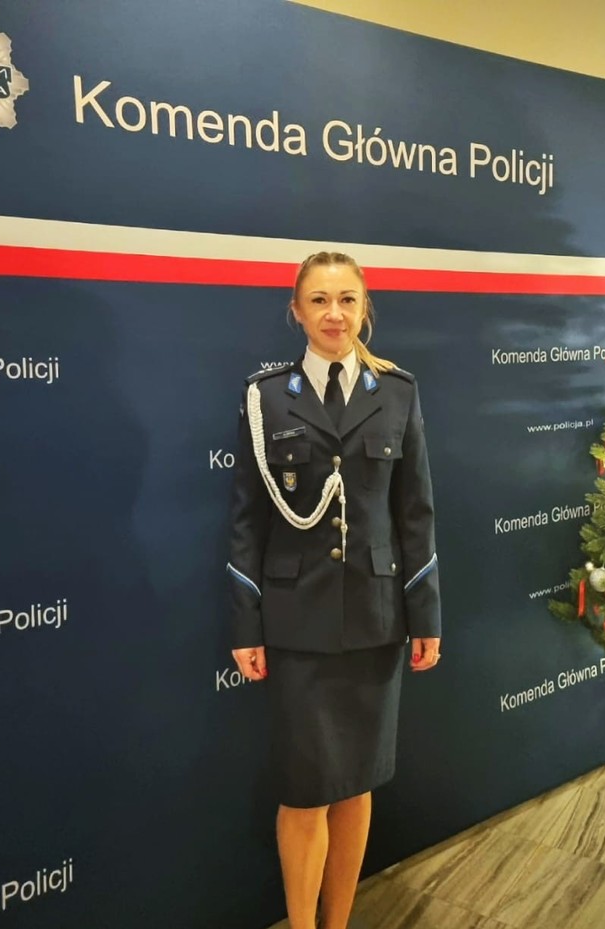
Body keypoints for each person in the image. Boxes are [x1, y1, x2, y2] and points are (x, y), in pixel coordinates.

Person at [226, 251, 442, 929]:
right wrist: (245, 623)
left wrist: (426, 615)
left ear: (364, 306)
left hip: (377, 618)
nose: (334, 314)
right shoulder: (266, 397)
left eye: (347, 299)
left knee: (355, 786)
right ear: (296, 311)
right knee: (304, 792)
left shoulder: (397, 392)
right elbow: (247, 519)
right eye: (319, 300)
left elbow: (415, 513)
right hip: (297, 621)